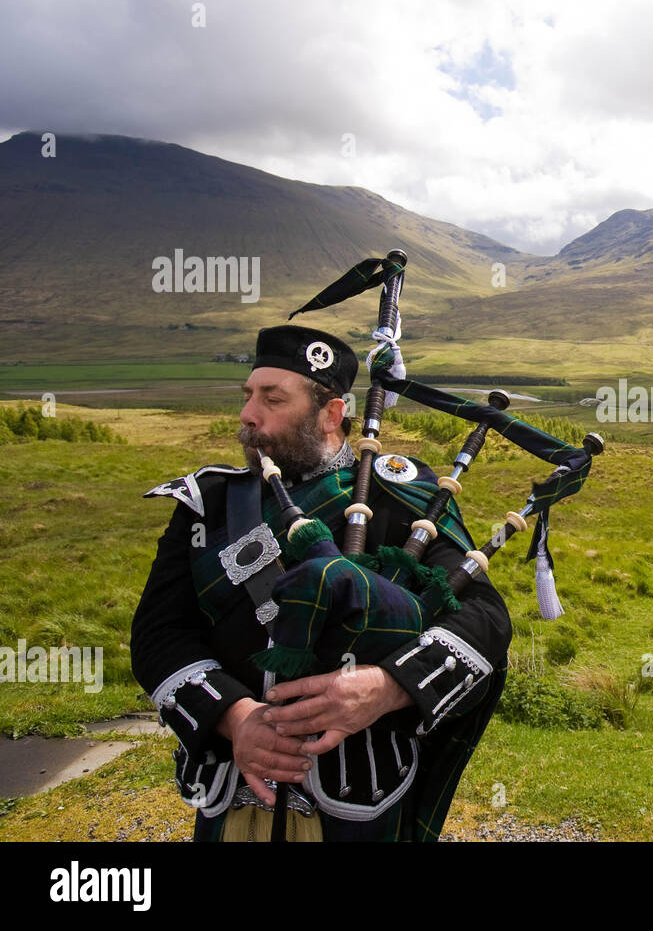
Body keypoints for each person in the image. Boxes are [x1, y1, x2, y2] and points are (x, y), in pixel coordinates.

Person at [131, 325, 511, 840]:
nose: (248, 414)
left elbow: (483, 617)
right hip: (232, 786)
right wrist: (235, 717)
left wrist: (389, 688)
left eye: (272, 399)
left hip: (363, 790)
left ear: (331, 414)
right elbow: (160, 634)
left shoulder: (400, 499)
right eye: (248, 396)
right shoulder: (210, 503)